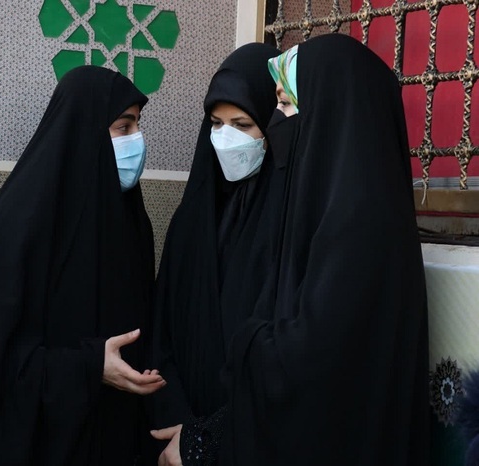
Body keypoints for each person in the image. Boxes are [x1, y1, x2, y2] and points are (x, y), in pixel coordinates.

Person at [0, 66, 165, 466]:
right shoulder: (13, 231)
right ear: (83, 132)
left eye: (138, 126)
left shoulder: (131, 223)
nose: (136, 140)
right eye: (123, 127)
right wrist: (89, 366)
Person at [219, 34, 430, 465]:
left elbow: (310, 361)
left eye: (285, 103)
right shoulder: (327, 206)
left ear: (332, 110)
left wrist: (245, 340)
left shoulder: (360, 218)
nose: (275, 121)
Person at [147, 42, 282, 465]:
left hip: (247, 437)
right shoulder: (192, 218)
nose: (226, 138)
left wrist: (210, 436)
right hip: (176, 432)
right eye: (216, 123)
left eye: (242, 124)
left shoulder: (285, 219)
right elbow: (162, 329)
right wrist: (180, 423)